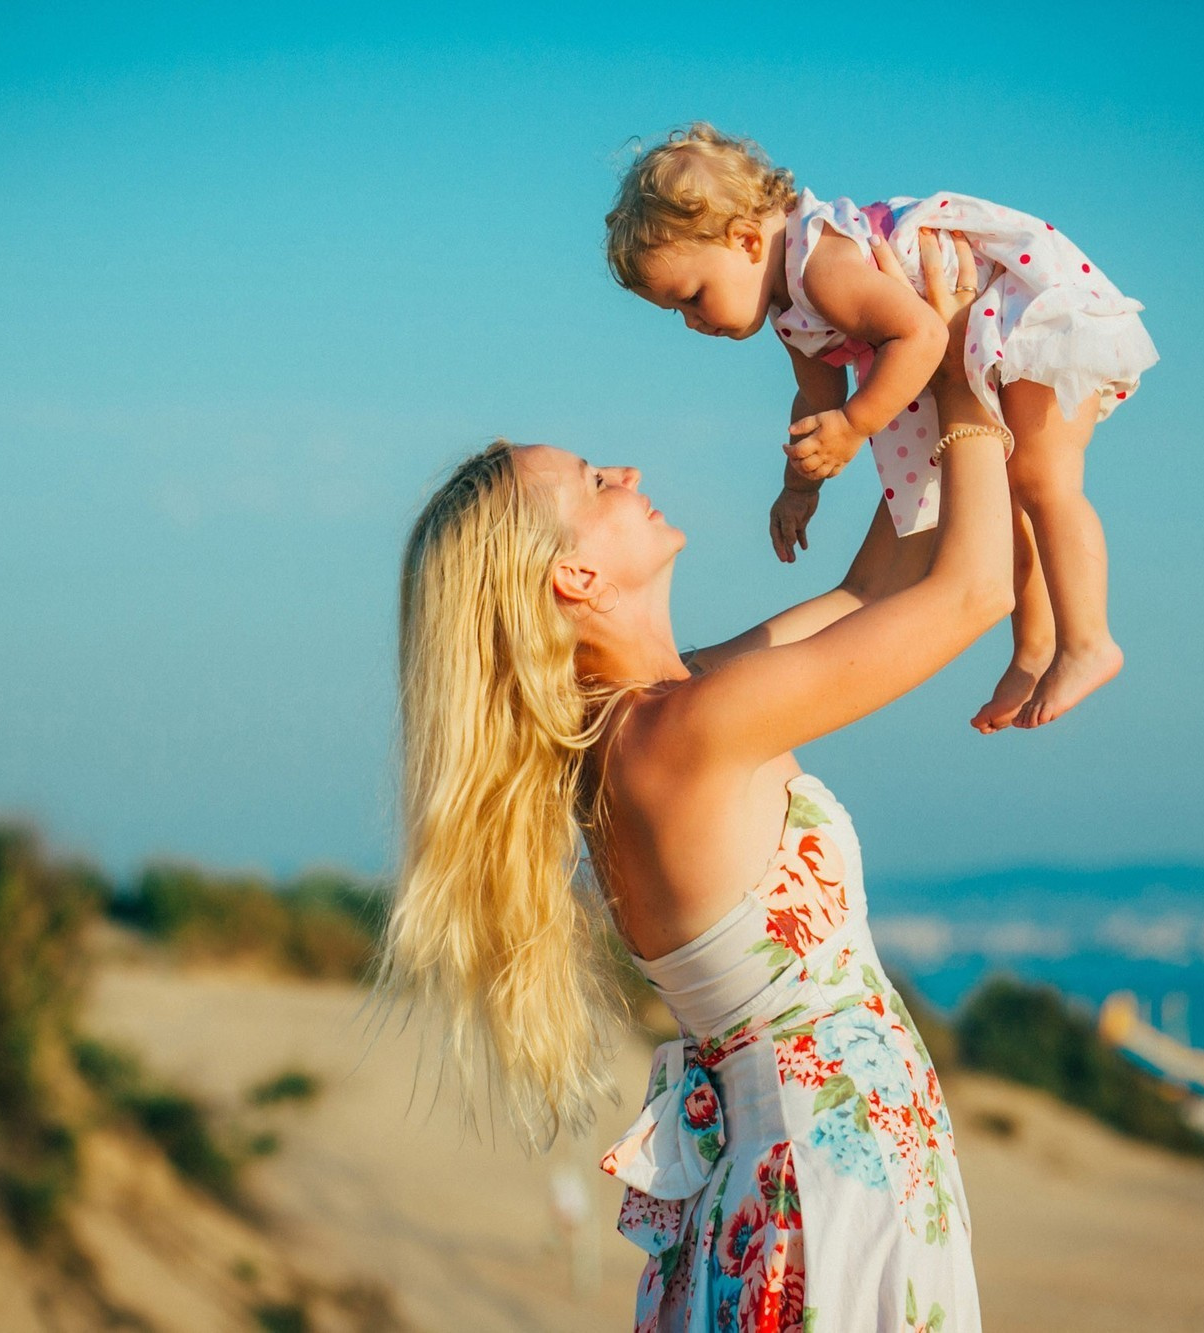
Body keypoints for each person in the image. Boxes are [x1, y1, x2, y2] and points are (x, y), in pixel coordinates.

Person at [384, 230, 1009, 1330]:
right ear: (574, 575)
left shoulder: (648, 721)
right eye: (591, 482)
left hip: (797, 1178)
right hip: (824, 1184)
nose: (625, 471)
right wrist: (962, 379)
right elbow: (969, 594)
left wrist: (904, 384)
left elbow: (876, 584)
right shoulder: (681, 732)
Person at [606, 123, 1158, 730]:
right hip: (975, 343)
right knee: (1010, 496)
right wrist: (800, 487)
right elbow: (816, 399)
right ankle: (1032, 653)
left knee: (1043, 479)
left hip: (1020, 309)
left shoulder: (820, 266)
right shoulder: (791, 310)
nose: (691, 323)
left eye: (691, 296)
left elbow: (920, 334)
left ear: (744, 241)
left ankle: (1089, 641)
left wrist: (853, 425)